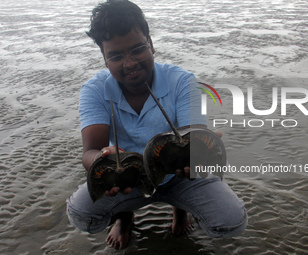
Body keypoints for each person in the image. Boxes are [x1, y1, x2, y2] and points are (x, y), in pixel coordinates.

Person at [66, 0, 247, 250]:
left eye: (137, 49)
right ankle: (125, 215)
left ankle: (180, 208)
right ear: (104, 59)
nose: (129, 63)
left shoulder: (182, 81)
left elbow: (195, 133)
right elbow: (90, 152)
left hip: (179, 175)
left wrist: (203, 149)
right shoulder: (95, 90)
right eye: (116, 56)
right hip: (128, 176)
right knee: (82, 215)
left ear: (151, 44)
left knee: (230, 221)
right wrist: (105, 161)